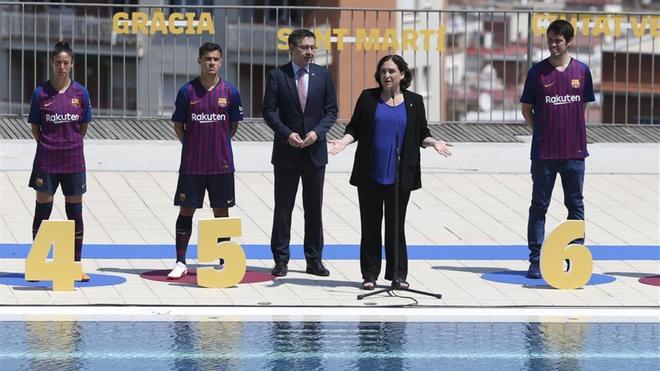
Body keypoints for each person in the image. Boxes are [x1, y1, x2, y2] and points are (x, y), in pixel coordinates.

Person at [329, 55, 453, 290]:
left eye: (392, 71)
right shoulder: (368, 98)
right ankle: (369, 275)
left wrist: (434, 143)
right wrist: (342, 143)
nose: (387, 75)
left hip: (400, 175)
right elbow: (353, 128)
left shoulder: (414, 101)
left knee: (396, 226)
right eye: (383, 71)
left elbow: (421, 133)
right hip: (370, 173)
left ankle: (398, 275)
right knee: (370, 226)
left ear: (402, 75)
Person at [520, 19, 595, 279]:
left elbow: (581, 107)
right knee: (539, 205)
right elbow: (526, 109)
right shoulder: (537, 73)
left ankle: (575, 257)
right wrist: (540, 131)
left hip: (574, 153)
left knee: (575, 204)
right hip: (544, 154)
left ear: (569, 41)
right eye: (550, 39)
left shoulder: (582, 72)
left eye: (558, 40)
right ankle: (535, 259)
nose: (553, 44)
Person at [262, 29, 338, 277]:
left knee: (313, 207)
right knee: (283, 206)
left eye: (313, 47)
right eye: (305, 47)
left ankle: (314, 260)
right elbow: (269, 112)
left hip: (315, 151)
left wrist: (317, 133)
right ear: (291, 48)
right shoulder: (277, 75)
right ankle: (281, 259)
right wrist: (286, 134)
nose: (309, 52)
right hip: (287, 151)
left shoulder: (323, 75)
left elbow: (331, 111)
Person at [167, 42, 244, 279]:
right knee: (187, 209)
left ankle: (222, 261)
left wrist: (215, 144)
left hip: (221, 164)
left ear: (221, 62)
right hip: (193, 164)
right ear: (199, 61)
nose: (212, 63)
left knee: (221, 211)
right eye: (208, 59)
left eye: (216, 59)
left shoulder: (230, 92)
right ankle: (181, 261)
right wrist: (193, 146)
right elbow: (179, 126)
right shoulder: (186, 91)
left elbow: (232, 127)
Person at [28, 41, 93, 282]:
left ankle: (76, 264)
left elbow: (83, 127)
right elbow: (36, 127)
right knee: (42, 209)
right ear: (52, 64)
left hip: (74, 160)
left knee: (74, 212)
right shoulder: (40, 93)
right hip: (46, 160)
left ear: (72, 65)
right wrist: (50, 144)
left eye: (66, 63)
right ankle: (38, 262)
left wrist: (68, 143)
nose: (61, 67)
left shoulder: (81, 93)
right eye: (58, 63)